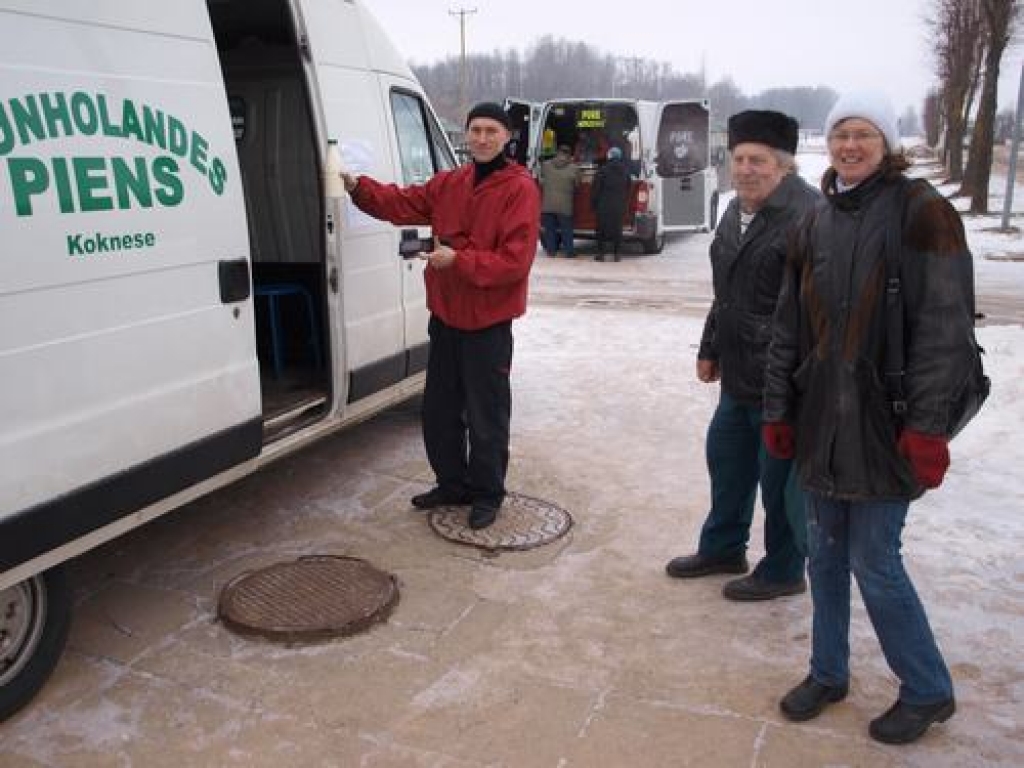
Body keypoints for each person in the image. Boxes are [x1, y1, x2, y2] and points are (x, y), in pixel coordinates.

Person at [763, 90, 972, 744]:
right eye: (841, 135)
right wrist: (779, 410)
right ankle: (828, 672)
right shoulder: (815, 221)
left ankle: (928, 688)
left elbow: (945, 329)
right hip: (822, 421)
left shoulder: (923, 211)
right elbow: (788, 326)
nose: (850, 146)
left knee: (874, 561)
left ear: (887, 143)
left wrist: (928, 428)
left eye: (864, 135)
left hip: (889, 425)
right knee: (824, 556)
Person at [340, 102, 541, 530]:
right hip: (447, 317)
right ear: (466, 135)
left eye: (491, 131)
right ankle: (452, 484)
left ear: (506, 137)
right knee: (440, 411)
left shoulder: (520, 188)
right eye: (475, 130)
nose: (481, 138)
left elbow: (514, 262)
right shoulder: (450, 182)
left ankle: (487, 493)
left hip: (488, 324)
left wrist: (459, 260)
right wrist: (357, 187)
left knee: (486, 416)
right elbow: (401, 203)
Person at [665, 110, 820, 601]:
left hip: (785, 385)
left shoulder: (810, 217)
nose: (746, 169)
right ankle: (723, 548)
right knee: (727, 464)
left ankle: (784, 570)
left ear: (785, 166)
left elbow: (813, 315)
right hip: (738, 376)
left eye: (759, 160)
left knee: (779, 484)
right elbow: (726, 292)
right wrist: (710, 346)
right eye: (739, 159)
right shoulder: (735, 211)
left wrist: (792, 380)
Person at [539, 144, 580, 257]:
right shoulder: (574, 168)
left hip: (548, 204)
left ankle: (551, 252)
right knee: (566, 229)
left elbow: (541, 179)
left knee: (549, 229)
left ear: (557, 153)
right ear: (569, 155)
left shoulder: (546, 165)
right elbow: (577, 184)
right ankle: (569, 252)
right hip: (564, 205)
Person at [590, 146, 631, 261]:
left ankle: (601, 254)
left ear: (609, 156)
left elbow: (596, 189)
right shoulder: (625, 171)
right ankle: (617, 255)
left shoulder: (602, 170)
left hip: (604, 205)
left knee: (601, 230)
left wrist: (593, 203)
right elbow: (628, 186)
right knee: (617, 230)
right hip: (619, 205)